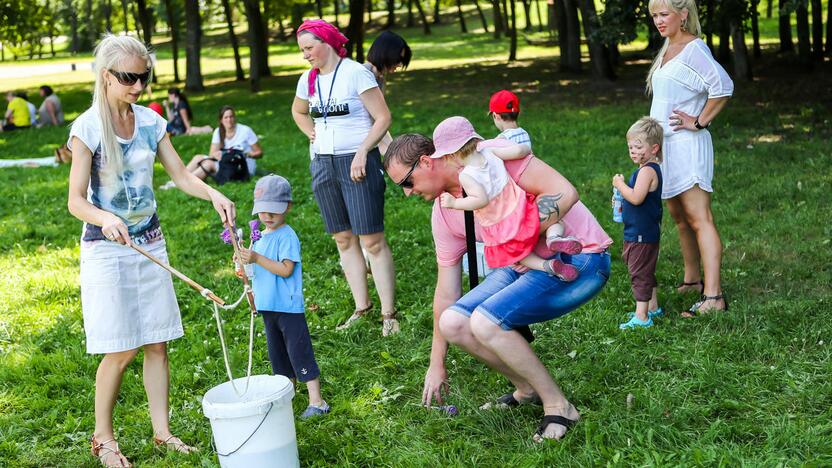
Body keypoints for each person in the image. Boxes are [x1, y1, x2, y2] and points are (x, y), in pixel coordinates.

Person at [66, 34, 236, 467]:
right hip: (107, 249)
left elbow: (180, 176)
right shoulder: (87, 128)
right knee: (121, 349)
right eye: (129, 78)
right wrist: (105, 218)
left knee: (158, 343)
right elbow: (75, 201)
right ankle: (103, 438)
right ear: (106, 76)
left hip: (149, 242)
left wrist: (212, 194)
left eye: (144, 78)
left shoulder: (150, 122)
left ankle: (162, 433)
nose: (139, 87)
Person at [384, 132, 612, 441]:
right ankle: (527, 388)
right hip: (523, 266)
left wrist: (519, 237)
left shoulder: (489, 160)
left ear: (426, 162)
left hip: (581, 258)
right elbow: (446, 291)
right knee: (453, 322)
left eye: (407, 183)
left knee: (484, 321)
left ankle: (560, 406)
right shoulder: (446, 212)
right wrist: (436, 364)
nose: (408, 193)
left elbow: (564, 191)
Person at [291, 19, 399, 336]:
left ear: (326, 43)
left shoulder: (356, 73)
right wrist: (310, 131)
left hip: (358, 161)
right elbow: (298, 111)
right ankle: (361, 307)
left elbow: (383, 118)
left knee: (372, 240)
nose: (305, 55)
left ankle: (388, 313)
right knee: (342, 238)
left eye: (309, 48)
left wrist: (364, 150)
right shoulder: (307, 80)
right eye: (302, 50)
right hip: (323, 163)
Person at [646, 0, 733, 316]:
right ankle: (692, 279)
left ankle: (714, 298)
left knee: (700, 218)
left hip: (687, 145)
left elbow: (722, 87)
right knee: (681, 219)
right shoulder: (669, 47)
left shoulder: (695, 48)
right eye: (654, 15)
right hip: (666, 148)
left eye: (664, 14)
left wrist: (698, 121)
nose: (658, 20)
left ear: (683, 14)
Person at [433, 116, 581, 280]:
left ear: (450, 155)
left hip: (501, 224)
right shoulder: (490, 152)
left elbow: (480, 200)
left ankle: (547, 266)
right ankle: (554, 238)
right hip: (520, 207)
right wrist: (526, 149)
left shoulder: (466, 175)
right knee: (555, 221)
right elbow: (519, 151)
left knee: (516, 255)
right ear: (474, 140)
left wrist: (455, 203)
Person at [237, 175, 330, 419]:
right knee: (278, 356)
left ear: (287, 207)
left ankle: (317, 401)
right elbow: (258, 270)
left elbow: (286, 269)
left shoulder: (287, 236)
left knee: (300, 352)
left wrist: (256, 259)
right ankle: (287, 395)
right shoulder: (259, 238)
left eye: (274, 211)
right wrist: (245, 268)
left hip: (288, 307)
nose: (268, 216)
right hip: (268, 306)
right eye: (263, 211)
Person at [613, 117, 664, 329]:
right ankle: (652, 307)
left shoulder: (647, 171)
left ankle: (642, 317)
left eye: (638, 146)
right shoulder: (647, 168)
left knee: (640, 273)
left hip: (642, 233)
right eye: (630, 147)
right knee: (644, 268)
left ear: (654, 148)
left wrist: (620, 185)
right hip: (642, 230)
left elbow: (636, 198)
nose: (633, 151)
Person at [163, 106, 263, 190]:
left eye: (231, 117)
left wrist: (245, 154)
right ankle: (177, 179)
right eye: (226, 117)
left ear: (235, 118)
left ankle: (182, 184)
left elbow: (259, 152)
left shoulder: (245, 131)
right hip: (226, 163)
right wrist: (218, 155)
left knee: (208, 164)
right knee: (198, 157)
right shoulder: (218, 132)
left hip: (242, 167)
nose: (229, 120)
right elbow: (212, 155)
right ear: (221, 120)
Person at [365, 30, 412, 155]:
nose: (400, 64)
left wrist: (392, 152)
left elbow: (376, 120)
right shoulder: (364, 75)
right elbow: (371, 119)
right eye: (398, 58)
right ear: (385, 53)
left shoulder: (378, 77)